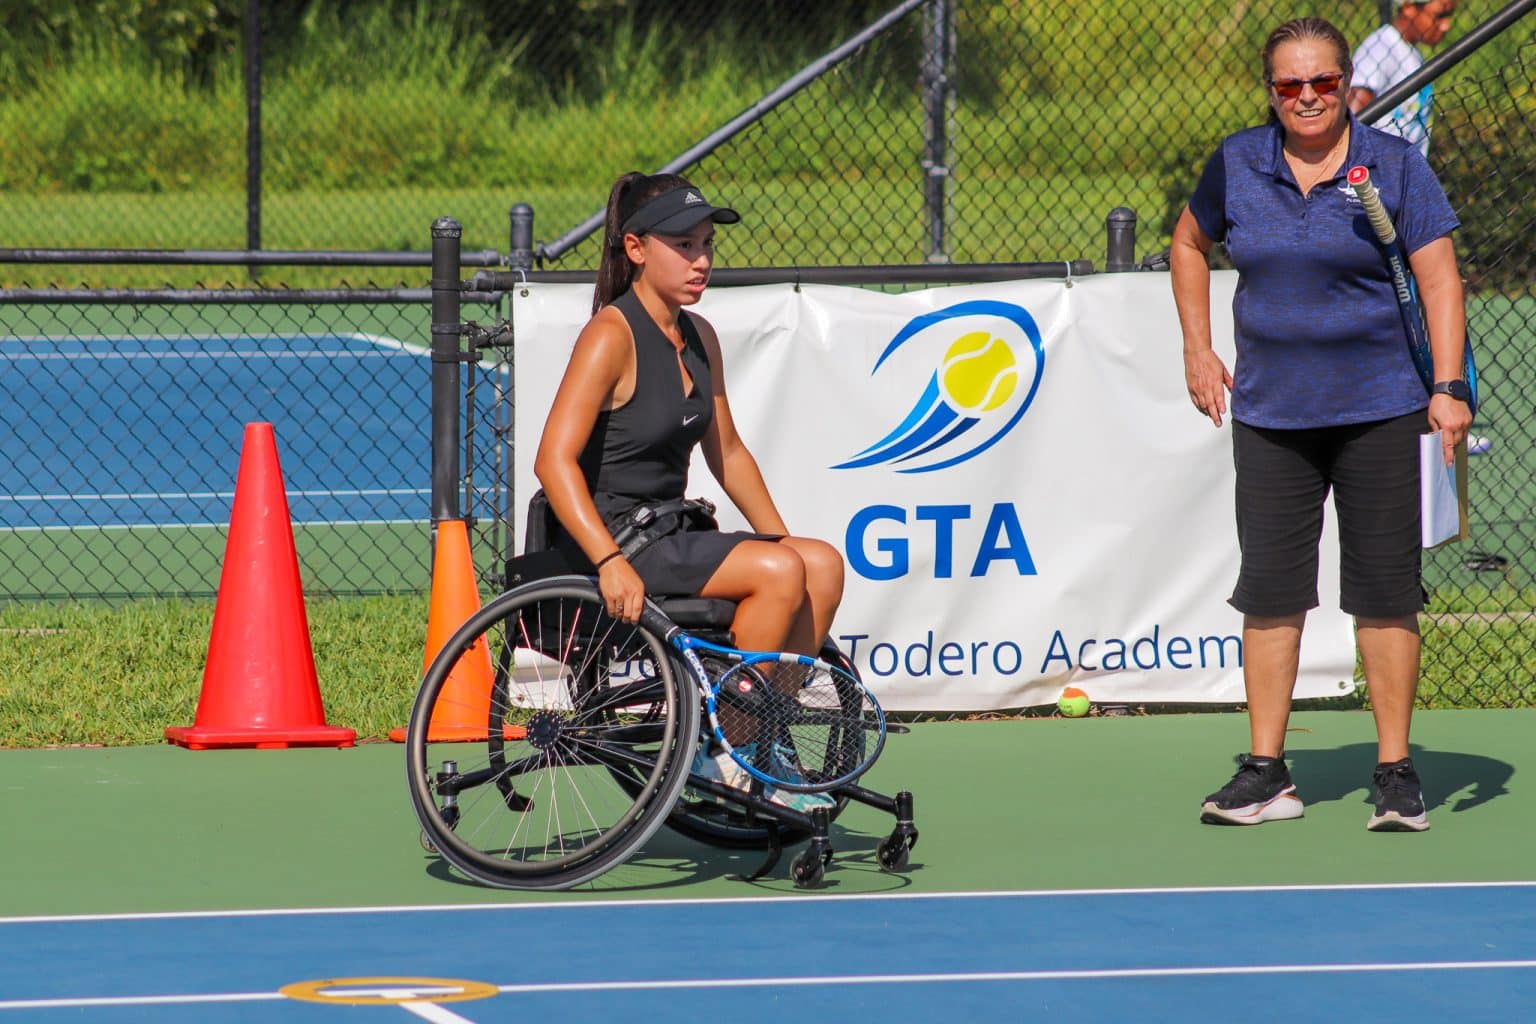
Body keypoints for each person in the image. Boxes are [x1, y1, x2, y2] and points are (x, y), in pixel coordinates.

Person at [1169, 18, 1473, 832]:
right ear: (1270, 91)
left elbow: (1440, 280)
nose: (1306, 97)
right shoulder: (1237, 163)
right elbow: (1189, 243)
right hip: (1271, 416)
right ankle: (1267, 773)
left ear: (1347, 85)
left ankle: (1395, 772)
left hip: (1383, 410)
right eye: (1289, 86)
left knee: (1384, 594)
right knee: (1270, 595)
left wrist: (1447, 387)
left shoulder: (1397, 167)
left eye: (1322, 83)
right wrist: (1199, 350)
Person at [532, 170, 846, 812]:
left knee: (820, 565)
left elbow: (727, 453)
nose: (701, 260)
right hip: (617, 537)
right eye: (684, 245)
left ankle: (756, 735)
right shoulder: (610, 336)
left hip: (670, 531)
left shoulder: (699, 337)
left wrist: (782, 542)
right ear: (637, 249)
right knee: (783, 572)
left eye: (706, 244)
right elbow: (552, 461)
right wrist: (609, 561)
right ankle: (728, 752)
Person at [1347, 0, 1456, 158]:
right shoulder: (1381, 48)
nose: (1446, 25)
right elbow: (1353, 119)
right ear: (1408, 8)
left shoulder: (1412, 53)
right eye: (1439, 16)